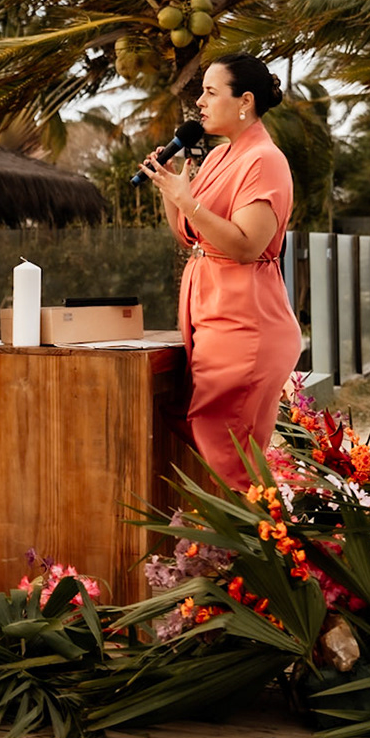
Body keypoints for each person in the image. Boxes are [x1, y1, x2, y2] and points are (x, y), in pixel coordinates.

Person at [138, 53, 298, 489]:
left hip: (246, 320)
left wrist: (188, 201)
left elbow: (247, 246)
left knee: (227, 445)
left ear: (244, 100)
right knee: (203, 429)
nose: (200, 103)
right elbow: (192, 236)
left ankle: (258, 545)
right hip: (210, 315)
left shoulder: (264, 160)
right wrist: (171, 189)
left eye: (210, 92)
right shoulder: (219, 156)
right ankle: (232, 546)